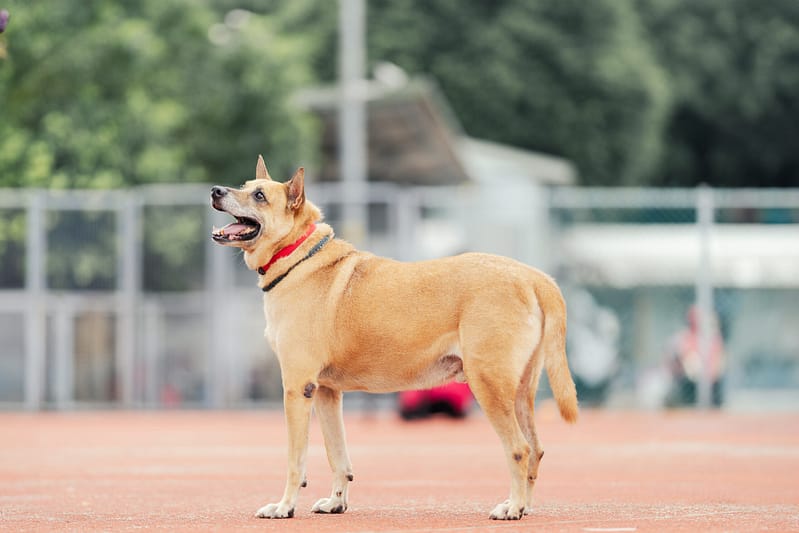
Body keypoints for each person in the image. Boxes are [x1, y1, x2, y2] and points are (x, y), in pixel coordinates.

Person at [665, 305, 725, 407]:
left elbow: (718, 365)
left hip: (710, 384)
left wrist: (709, 375)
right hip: (690, 384)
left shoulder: (715, 339)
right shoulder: (685, 338)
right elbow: (688, 365)